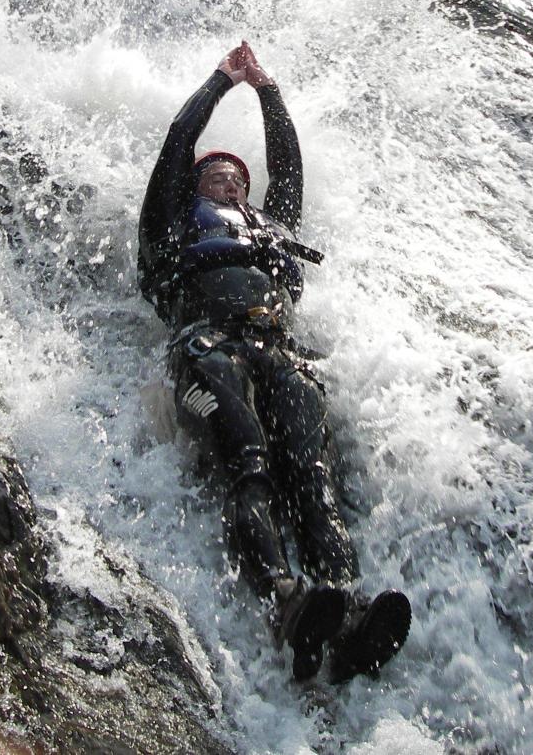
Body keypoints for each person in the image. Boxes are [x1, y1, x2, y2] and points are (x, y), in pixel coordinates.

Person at [138, 42, 410, 683]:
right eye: (215, 173)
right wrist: (223, 80)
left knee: (311, 472)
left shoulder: (272, 226)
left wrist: (269, 92)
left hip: (278, 351)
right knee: (250, 464)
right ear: (196, 186)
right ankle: (286, 602)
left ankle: (345, 610)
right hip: (207, 347)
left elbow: (287, 165)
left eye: (238, 175)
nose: (228, 177)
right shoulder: (175, 221)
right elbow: (180, 141)